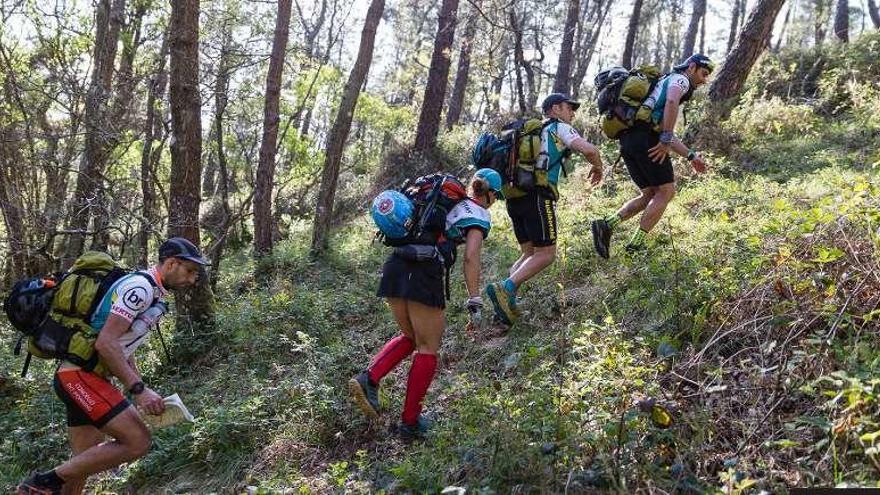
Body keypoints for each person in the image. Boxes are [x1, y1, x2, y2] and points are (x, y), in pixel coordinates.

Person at [17, 238, 208, 495]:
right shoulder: (140, 289)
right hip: (80, 377)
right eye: (190, 270)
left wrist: (140, 388)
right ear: (172, 263)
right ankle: (41, 483)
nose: (193, 279)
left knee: (80, 467)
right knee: (138, 441)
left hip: (80, 377)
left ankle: (48, 484)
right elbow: (106, 343)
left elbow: (121, 345)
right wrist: (138, 390)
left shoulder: (149, 289)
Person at [349, 169, 502, 440]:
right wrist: (475, 300)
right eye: (496, 197)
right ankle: (410, 423)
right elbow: (471, 258)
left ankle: (368, 378)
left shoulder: (438, 203)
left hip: (395, 265)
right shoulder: (476, 213)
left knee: (411, 337)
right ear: (490, 194)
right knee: (428, 348)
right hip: (423, 271)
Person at [485, 93, 603, 325]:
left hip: (514, 197)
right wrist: (598, 166)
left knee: (529, 253)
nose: (573, 113)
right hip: (539, 196)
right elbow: (589, 150)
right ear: (555, 109)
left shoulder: (528, 132)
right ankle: (505, 288)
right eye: (570, 107)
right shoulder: (558, 128)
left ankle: (507, 305)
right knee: (546, 254)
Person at [591, 54, 713, 258]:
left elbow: (662, 131)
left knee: (649, 194)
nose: (704, 80)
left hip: (628, 141)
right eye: (703, 73)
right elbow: (672, 102)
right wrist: (664, 138)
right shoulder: (681, 79)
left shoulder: (659, 88)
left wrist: (691, 157)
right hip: (645, 140)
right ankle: (635, 248)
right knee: (666, 193)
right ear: (691, 67)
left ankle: (605, 224)